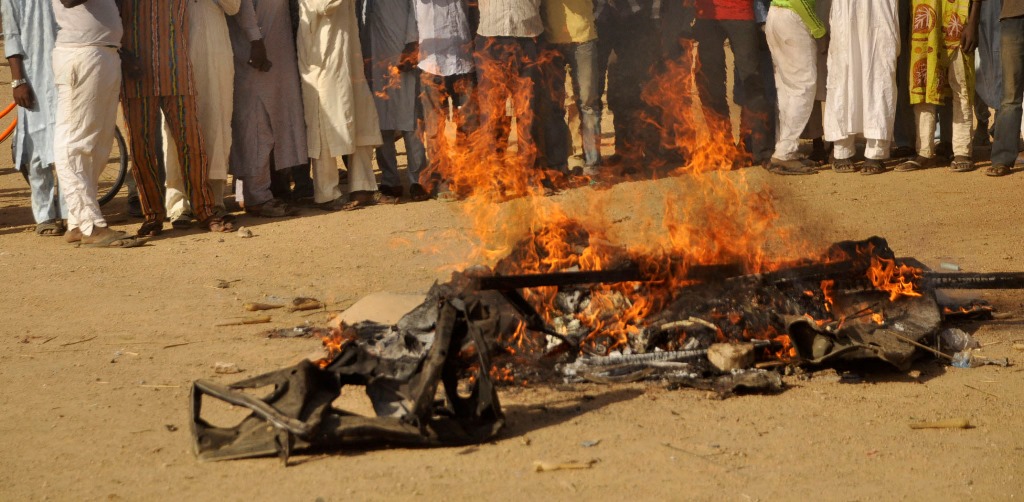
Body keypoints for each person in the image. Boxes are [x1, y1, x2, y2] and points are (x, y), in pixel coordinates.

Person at [119, 0, 233, 235]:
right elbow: (110, 18)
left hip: (177, 68)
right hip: (136, 71)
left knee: (192, 143)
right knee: (142, 148)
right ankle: (153, 216)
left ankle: (205, 210)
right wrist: (123, 55)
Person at [50, 0, 142, 247]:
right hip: (82, 53)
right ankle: (91, 225)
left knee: (99, 146)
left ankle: (78, 223)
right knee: (75, 143)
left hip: (104, 53)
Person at [162, 0, 257, 227]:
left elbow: (233, 7)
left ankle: (215, 201)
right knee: (174, 127)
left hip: (215, 52)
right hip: (175, 52)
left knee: (217, 123)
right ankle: (178, 205)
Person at [297, 0, 382, 210]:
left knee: (360, 118)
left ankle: (363, 186)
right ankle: (327, 194)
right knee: (326, 126)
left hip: (348, 54)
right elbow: (323, 5)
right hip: (323, 61)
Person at [228, 0, 308, 214]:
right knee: (255, 125)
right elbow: (242, 5)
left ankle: (245, 194)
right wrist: (256, 41)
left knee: (262, 123)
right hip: (256, 52)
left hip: (276, 48)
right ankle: (257, 197)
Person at [3, 0, 66, 236]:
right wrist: (18, 80)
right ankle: (46, 215)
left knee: (68, 148)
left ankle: (73, 212)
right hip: (34, 78)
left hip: (67, 70)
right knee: (37, 151)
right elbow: (11, 36)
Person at [895, 0, 980, 173]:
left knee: (961, 85)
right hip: (923, 22)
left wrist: (973, 23)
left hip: (958, 20)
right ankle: (924, 152)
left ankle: (962, 151)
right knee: (923, 84)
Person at [359, 0, 429, 202]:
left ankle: (418, 180)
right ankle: (390, 180)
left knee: (411, 119)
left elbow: (416, 8)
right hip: (373, 58)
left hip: (401, 51)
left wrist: (412, 43)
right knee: (380, 122)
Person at [693, 0, 774, 167]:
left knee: (752, 82)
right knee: (712, 85)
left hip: (738, 12)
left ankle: (759, 150)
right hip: (708, 15)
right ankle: (723, 148)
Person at [823, 0, 899, 174]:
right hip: (845, 8)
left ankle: (876, 152)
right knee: (843, 75)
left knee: (879, 74)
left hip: (879, 9)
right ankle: (842, 150)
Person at [412, 0, 476, 196]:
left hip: (464, 58)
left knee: (469, 123)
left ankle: (465, 176)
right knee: (435, 127)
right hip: (432, 64)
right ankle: (441, 179)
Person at [474, 0, 544, 172]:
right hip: (491, 40)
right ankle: (495, 177)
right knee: (493, 112)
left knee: (527, 110)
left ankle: (528, 174)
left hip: (527, 38)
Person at [536, 0, 601, 173]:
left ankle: (592, 163)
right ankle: (559, 164)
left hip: (583, 37)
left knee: (588, 103)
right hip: (550, 39)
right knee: (553, 105)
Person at [764, 0, 828, 175]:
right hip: (793, 18)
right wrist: (819, 29)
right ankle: (785, 153)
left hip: (775, 15)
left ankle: (784, 149)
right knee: (803, 87)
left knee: (786, 89)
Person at [988, 0, 1024, 176]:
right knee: (1010, 94)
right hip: (1012, 16)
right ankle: (1002, 157)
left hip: (1011, 17)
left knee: (1010, 95)